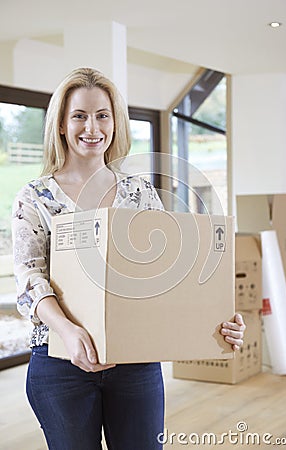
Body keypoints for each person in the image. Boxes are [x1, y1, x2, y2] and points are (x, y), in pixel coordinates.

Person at [12, 67, 245, 450]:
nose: (93, 127)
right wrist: (71, 333)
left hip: (134, 362)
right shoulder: (35, 197)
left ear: (116, 122)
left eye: (103, 115)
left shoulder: (139, 192)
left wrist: (215, 319)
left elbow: (165, 277)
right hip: (60, 363)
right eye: (79, 116)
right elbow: (29, 280)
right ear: (60, 125)